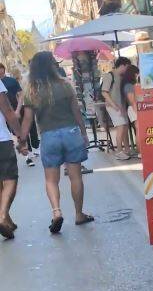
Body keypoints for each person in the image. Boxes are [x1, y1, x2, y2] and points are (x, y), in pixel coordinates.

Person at [20, 52, 94, 235]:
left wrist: (22, 141)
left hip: (49, 137)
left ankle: (56, 212)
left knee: (51, 180)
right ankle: (78, 214)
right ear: (53, 65)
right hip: (71, 133)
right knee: (75, 176)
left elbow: (27, 120)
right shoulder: (65, 84)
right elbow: (76, 111)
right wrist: (84, 133)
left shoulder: (31, 90)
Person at [0, 77, 27, 239]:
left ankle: (7, 220)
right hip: (1, 141)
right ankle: (2, 216)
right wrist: (20, 137)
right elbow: (8, 111)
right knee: (10, 180)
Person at [0, 63, 37, 168]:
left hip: (14, 110)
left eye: (1, 68)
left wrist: (17, 110)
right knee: (12, 134)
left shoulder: (11, 81)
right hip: (4, 115)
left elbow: (20, 95)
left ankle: (27, 155)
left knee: (21, 132)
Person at [102, 57, 131, 161]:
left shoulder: (122, 77)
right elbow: (104, 92)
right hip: (113, 106)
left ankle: (126, 150)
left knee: (125, 127)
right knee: (121, 127)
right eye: (127, 67)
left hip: (121, 106)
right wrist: (114, 105)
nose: (127, 69)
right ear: (122, 65)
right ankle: (119, 151)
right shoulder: (109, 75)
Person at [121, 63, 140, 156]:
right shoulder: (129, 85)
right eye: (136, 74)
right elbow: (132, 100)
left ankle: (140, 150)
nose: (137, 76)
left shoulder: (129, 84)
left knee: (138, 130)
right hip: (133, 109)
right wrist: (137, 112)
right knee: (139, 130)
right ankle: (140, 151)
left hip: (133, 108)